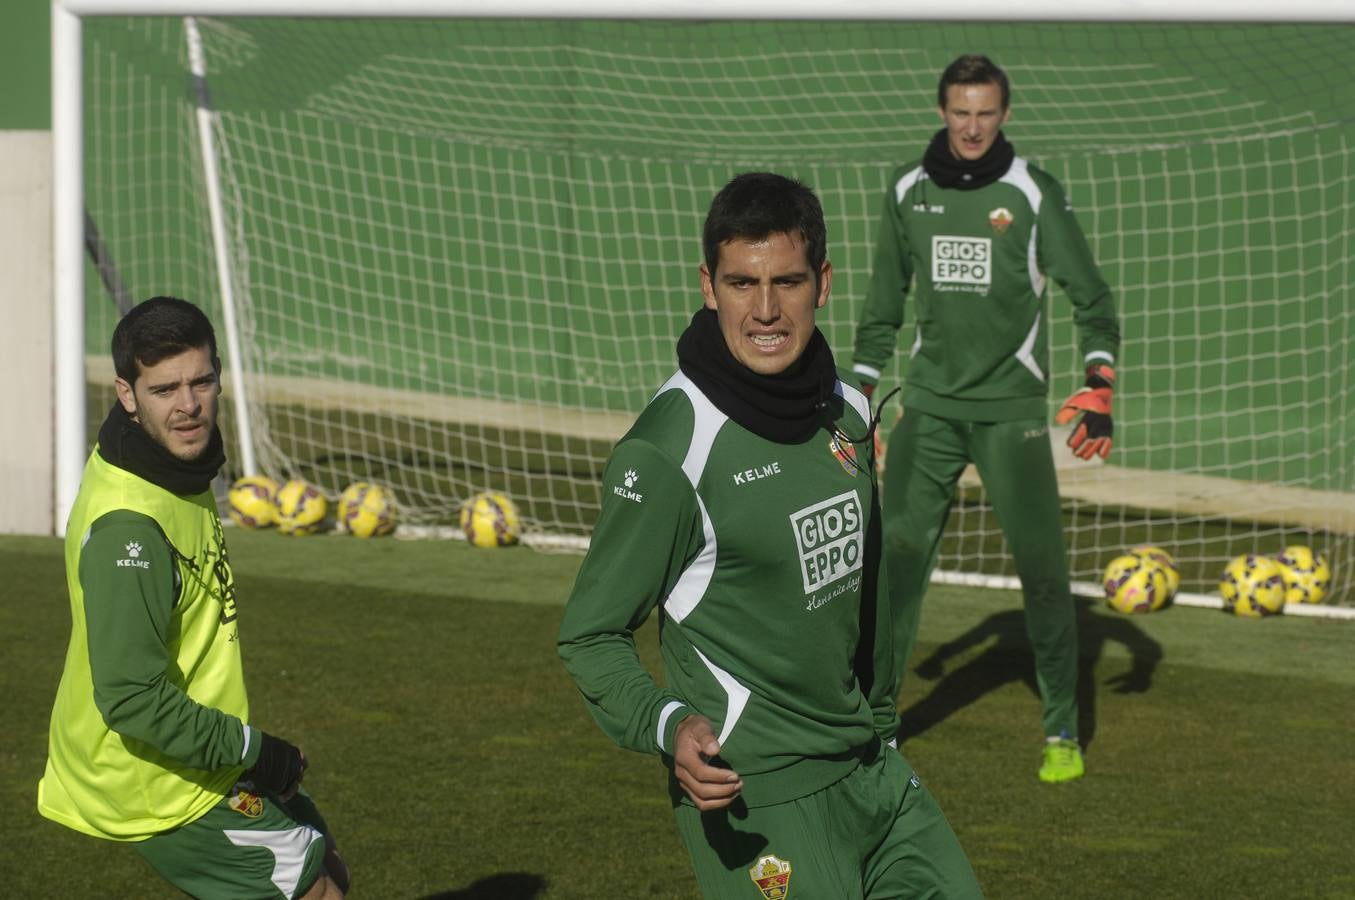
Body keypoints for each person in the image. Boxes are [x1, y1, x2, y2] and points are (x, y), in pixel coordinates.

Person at [558, 173, 983, 898]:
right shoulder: (668, 451)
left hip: (873, 773)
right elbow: (589, 634)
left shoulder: (846, 411)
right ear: (708, 285)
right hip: (757, 798)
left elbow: (867, 591)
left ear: (821, 282)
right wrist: (669, 724)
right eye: (740, 283)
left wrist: (880, 726)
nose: (764, 310)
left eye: (785, 282)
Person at [851, 54, 1120, 783]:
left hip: (1010, 417)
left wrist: (1099, 382)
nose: (972, 127)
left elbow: (1090, 298)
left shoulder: (1032, 192)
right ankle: (875, 729)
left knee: (1040, 573)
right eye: (960, 112)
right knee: (894, 567)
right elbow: (881, 309)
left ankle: (1060, 727)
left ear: (1005, 114)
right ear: (941, 111)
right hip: (929, 410)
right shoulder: (907, 191)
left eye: (986, 113)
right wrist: (857, 399)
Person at [38, 297, 349, 899]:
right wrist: (256, 751)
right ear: (127, 395)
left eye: (200, 381)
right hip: (156, 778)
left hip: (195, 752)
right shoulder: (130, 529)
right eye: (163, 390)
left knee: (326, 864)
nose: (188, 406)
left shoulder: (171, 464)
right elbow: (132, 699)